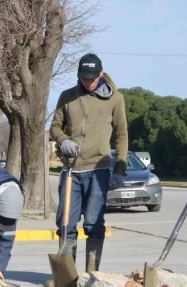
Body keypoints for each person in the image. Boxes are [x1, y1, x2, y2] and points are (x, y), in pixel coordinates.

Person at [49, 53, 128, 272]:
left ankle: (91, 276)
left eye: (91, 79)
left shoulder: (115, 99)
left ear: (100, 75)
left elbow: (121, 135)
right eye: (83, 78)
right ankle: (67, 276)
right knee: (65, 223)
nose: (87, 83)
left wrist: (120, 168)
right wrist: (63, 139)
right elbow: (55, 126)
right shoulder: (67, 96)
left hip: (98, 169)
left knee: (93, 224)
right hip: (71, 170)